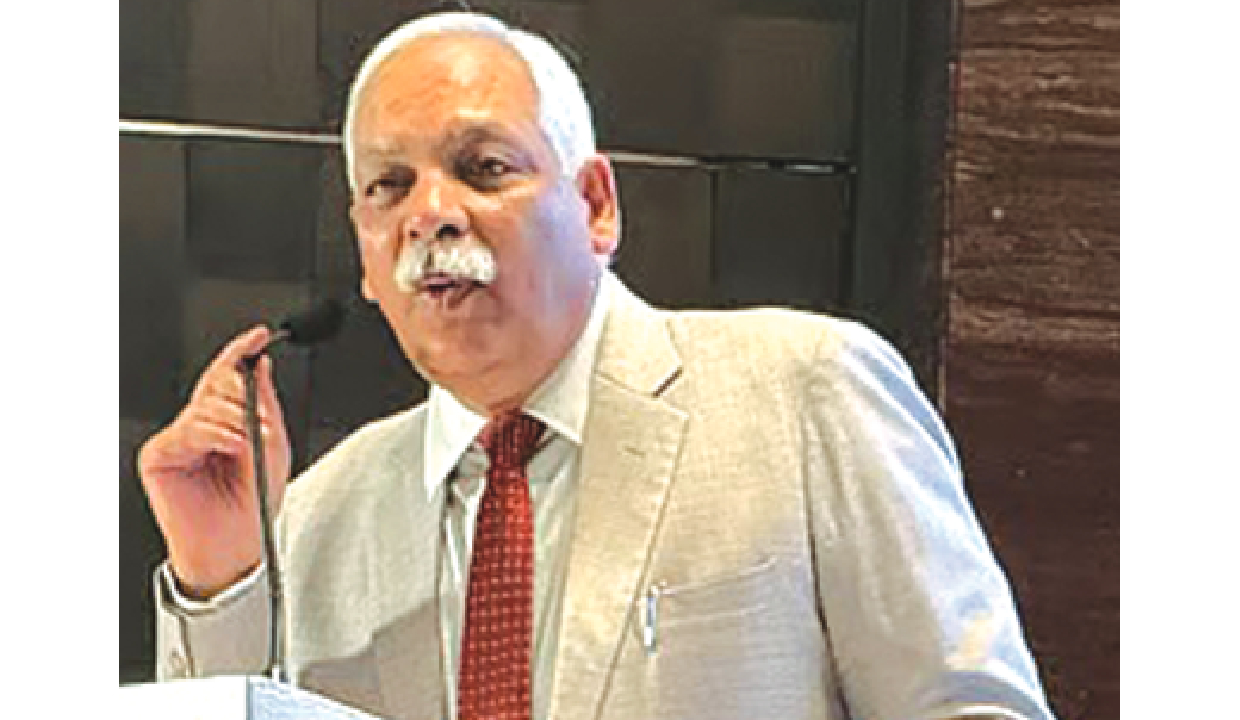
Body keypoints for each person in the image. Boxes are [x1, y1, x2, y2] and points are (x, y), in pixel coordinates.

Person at [137, 11, 1056, 720]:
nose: (431, 214)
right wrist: (222, 582)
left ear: (596, 205)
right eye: (389, 186)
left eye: (483, 167)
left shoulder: (806, 392)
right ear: (364, 253)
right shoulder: (314, 517)